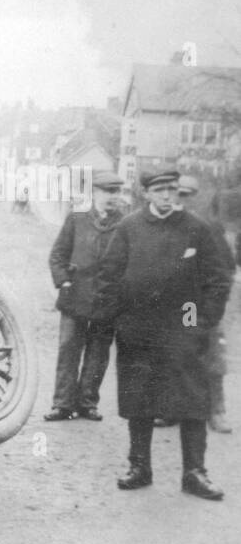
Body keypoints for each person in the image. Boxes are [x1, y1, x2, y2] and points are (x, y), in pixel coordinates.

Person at [93, 168, 233, 500]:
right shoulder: (129, 227)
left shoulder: (197, 228)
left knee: (191, 397)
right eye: (160, 191)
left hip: (184, 324)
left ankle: (194, 473)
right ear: (147, 194)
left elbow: (217, 279)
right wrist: (118, 319)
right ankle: (139, 467)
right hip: (138, 327)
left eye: (172, 190)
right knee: (139, 396)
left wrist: (201, 321)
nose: (167, 196)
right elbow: (109, 275)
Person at [44, 170, 125, 421]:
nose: (112, 197)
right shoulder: (76, 219)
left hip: (107, 299)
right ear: (94, 193)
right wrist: (64, 281)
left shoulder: (125, 224)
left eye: (116, 192)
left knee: (99, 352)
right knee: (69, 349)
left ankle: (88, 403)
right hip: (75, 296)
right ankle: (63, 404)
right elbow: (57, 255)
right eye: (107, 191)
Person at [175, 177, 237, 433]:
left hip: (198, 304)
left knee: (210, 353)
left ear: (194, 197)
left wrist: (211, 309)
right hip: (174, 305)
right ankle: (174, 409)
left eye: (187, 195)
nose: (180, 199)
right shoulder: (163, 226)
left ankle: (216, 410)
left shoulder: (207, 228)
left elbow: (225, 270)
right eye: (177, 193)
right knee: (176, 354)